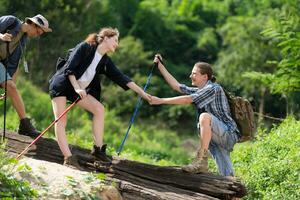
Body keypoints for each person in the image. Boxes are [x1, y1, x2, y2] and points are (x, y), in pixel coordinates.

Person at [49, 27, 151, 169]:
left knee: (99, 109)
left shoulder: (104, 61)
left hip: (78, 91)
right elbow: (69, 69)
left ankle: (97, 150)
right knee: (61, 120)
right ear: (105, 38)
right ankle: (68, 158)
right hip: (63, 84)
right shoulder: (85, 47)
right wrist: (77, 87)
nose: (117, 44)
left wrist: (144, 94)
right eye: (115, 40)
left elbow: (121, 77)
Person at [150, 55, 240, 176]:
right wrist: (160, 66)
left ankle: (201, 159)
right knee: (227, 174)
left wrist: (160, 100)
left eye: (194, 73)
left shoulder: (213, 88)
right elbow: (177, 86)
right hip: (216, 136)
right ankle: (233, 192)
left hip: (228, 134)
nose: (190, 76)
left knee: (204, 117)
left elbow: (188, 99)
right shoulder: (201, 90)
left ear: (205, 76)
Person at [0, 14, 52, 137]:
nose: (38, 35)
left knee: (12, 87)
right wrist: (1, 36)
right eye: (39, 31)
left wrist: (10, 85)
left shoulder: (23, 40)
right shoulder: (10, 21)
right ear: (33, 24)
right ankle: (25, 126)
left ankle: (24, 125)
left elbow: (15, 64)